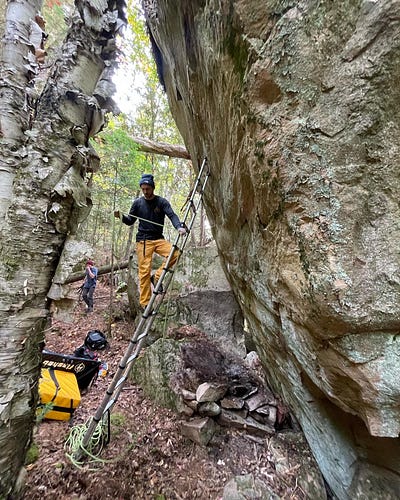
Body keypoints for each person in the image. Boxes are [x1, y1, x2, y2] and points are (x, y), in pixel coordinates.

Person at [114, 173, 186, 311]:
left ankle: (157, 277)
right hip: (143, 240)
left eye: (148, 188)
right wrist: (121, 217)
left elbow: (172, 215)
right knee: (144, 271)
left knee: (175, 253)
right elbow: (130, 221)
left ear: (153, 187)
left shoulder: (161, 202)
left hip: (158, 239)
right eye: (143, 189)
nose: (145, 191)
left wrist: (179, 227)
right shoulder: (138, 203)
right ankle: (145, 302)